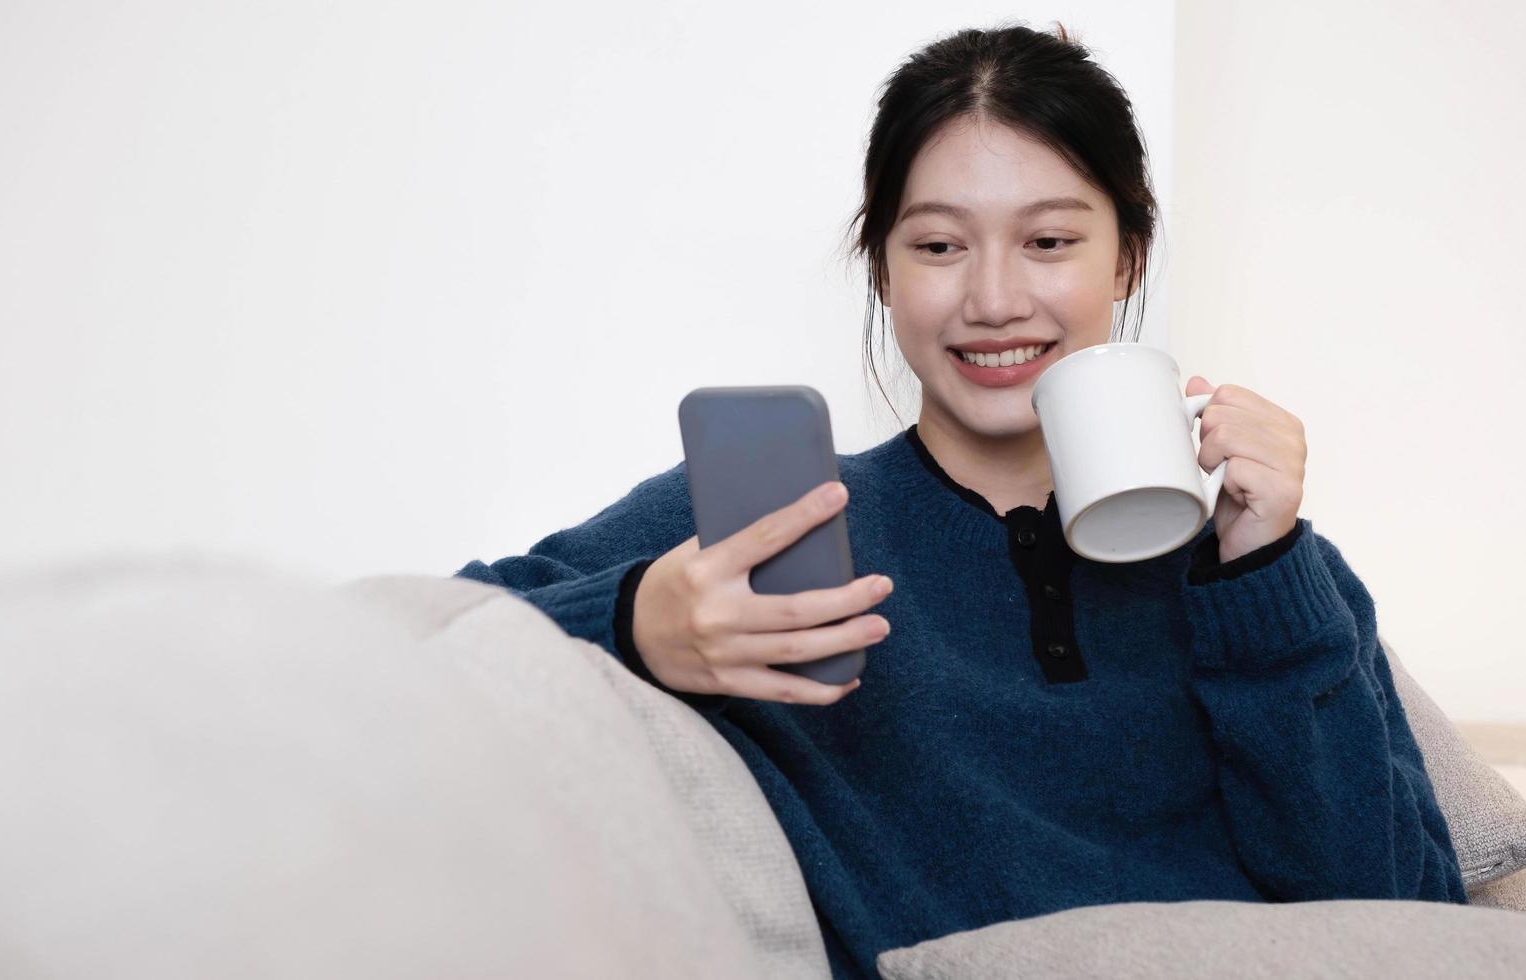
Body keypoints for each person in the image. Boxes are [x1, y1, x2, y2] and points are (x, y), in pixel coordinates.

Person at [452, 22, 1467, 979]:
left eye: (1049, 242)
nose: (992, 300)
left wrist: (1258, 573)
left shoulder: (1271, 565)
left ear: (1126, 257)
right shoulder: (781, 527)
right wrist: (636, 622)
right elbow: (428, 629)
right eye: (938, 246)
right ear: (882, 272)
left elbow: (1401, 913)